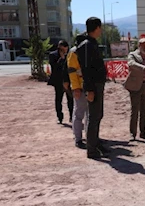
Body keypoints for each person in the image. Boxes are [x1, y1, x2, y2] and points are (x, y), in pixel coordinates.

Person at [78, 17, 109, 160]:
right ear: (96, 28)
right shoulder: (86, 45)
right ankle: (91, 149)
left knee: (98, 115)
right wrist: (89, 89)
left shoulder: (92, 44)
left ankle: (95, 143)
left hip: (98, 84)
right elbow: (86, 69)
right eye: (100, 28)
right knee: (93, 116)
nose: (101, 31)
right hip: (93, 85)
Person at [125, 36, 145, 141]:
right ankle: (132, 134)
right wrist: (144, 68)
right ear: (139, 46)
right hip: (135, 86)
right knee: (135, 111)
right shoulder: (133, 55)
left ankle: (143, 132)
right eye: (144, 45)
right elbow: (131, 64)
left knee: (144, 111)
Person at [67, 34, 89, 149]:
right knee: (79, 113)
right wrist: (75, 88)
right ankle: (78, 138)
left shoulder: (85, 51)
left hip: (87, 86)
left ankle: (89, 136)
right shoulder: (74, 53)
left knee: (88, 114)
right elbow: (71, 71)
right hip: (79, 88)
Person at [47, 40, 73, 124]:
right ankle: (60, 117)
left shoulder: (70, 55)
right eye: (62, 49)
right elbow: (54, 68)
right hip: (58, 81)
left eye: (66, 49)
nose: (64, 51)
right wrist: (61, 59)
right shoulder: (53, 55)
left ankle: (72, 117)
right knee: (58, 99)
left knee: (71, 99)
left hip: (68, 81)